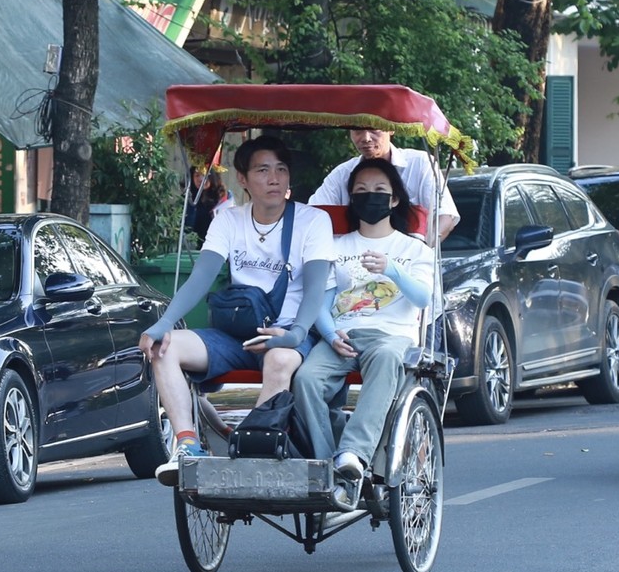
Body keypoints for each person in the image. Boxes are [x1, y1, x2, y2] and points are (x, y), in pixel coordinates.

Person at [140, 135, 334, 479]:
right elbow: (201, 278)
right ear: (242, 179)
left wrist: (296, 334)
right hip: (235, 334)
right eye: (263, 170)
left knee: (279, 359)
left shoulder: (312, 221)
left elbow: (316, 289)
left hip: (289, 331)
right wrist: (164, 322)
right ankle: (187, 444)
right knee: (164, 348)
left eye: (281, 169)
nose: (274, 178)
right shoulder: (229, 220)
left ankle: (254, 451)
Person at [294, 157, 433, 502]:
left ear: (395, 199)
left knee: (387, 358)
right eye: (361, 191)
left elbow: (423, 297)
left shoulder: (413, 248)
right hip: (342, 335)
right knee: (306, 379)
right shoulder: (336, 247)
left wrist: (393, 271)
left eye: (379, 191)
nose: (370, 196)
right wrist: (330, 335)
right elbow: (321, 304)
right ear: (351, 199)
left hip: (392, 335)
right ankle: (329, 466)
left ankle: (353, 453)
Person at [309, 127, 460, 240]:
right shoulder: (341, 174)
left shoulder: (420, 164)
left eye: (374, 129)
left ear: (391, 128)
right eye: (358, 130)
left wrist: (420, 253)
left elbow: (445, 216)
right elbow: (313, 217)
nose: (366, 138)